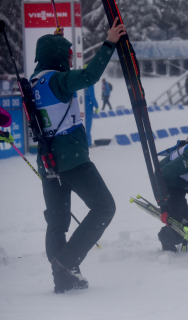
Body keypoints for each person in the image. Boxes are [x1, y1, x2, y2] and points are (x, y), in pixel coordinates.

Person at [29, 18, 125, 293]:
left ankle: (63, 279)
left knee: (57, 223)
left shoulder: (35, 82)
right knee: (104, 206)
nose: (70, 61)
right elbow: (88, 77)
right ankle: (67, 261)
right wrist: (109, 43)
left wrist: (58, 41)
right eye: (67, 56)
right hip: (72, 159)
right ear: (58, 57)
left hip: (47, 162)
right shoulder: (58, 80)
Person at [84, 68, 99, 147]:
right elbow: (92, 96)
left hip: (80, 105)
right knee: (88, 125)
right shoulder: (90, 81)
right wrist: (96, 106)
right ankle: (88, 143)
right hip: (87, 106)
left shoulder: (80, 79)